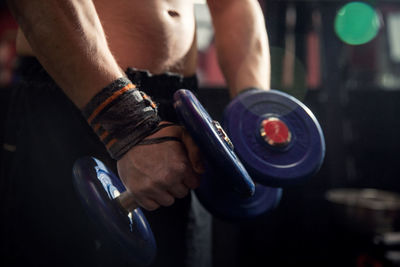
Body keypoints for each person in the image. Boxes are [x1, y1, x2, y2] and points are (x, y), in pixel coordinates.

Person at [1, 0, 271, 266]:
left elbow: (232, 5)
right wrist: (128, 122)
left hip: (180, 109)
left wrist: (252, 116)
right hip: (81, 96)